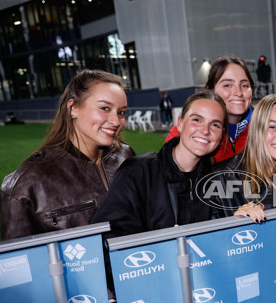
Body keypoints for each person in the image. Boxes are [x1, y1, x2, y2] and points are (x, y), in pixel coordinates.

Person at [0, 69, 134, 240]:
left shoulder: (126, 155)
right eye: (105, 108)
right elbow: (18, 262)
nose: (116, 121)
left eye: (121, 112)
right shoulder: (27, 183)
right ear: (73, 108)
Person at [92, 91, 227, 237]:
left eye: (215, 125)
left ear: (221, 135)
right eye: (197, 120)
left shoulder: (219, 180)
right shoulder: (137, 173)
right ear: (180, 124)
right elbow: (107, 236)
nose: (205, 131)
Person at [205, 94, 276, 222]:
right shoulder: (221, 178)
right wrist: (234, 221)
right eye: (272, 127)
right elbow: (207, 238)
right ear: (257, 129)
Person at [165, 55, 254, 162]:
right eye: (227, 85)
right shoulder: (187, 132)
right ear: (211, 91)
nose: (238, 93)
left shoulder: (267, 131)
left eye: (244, 85)